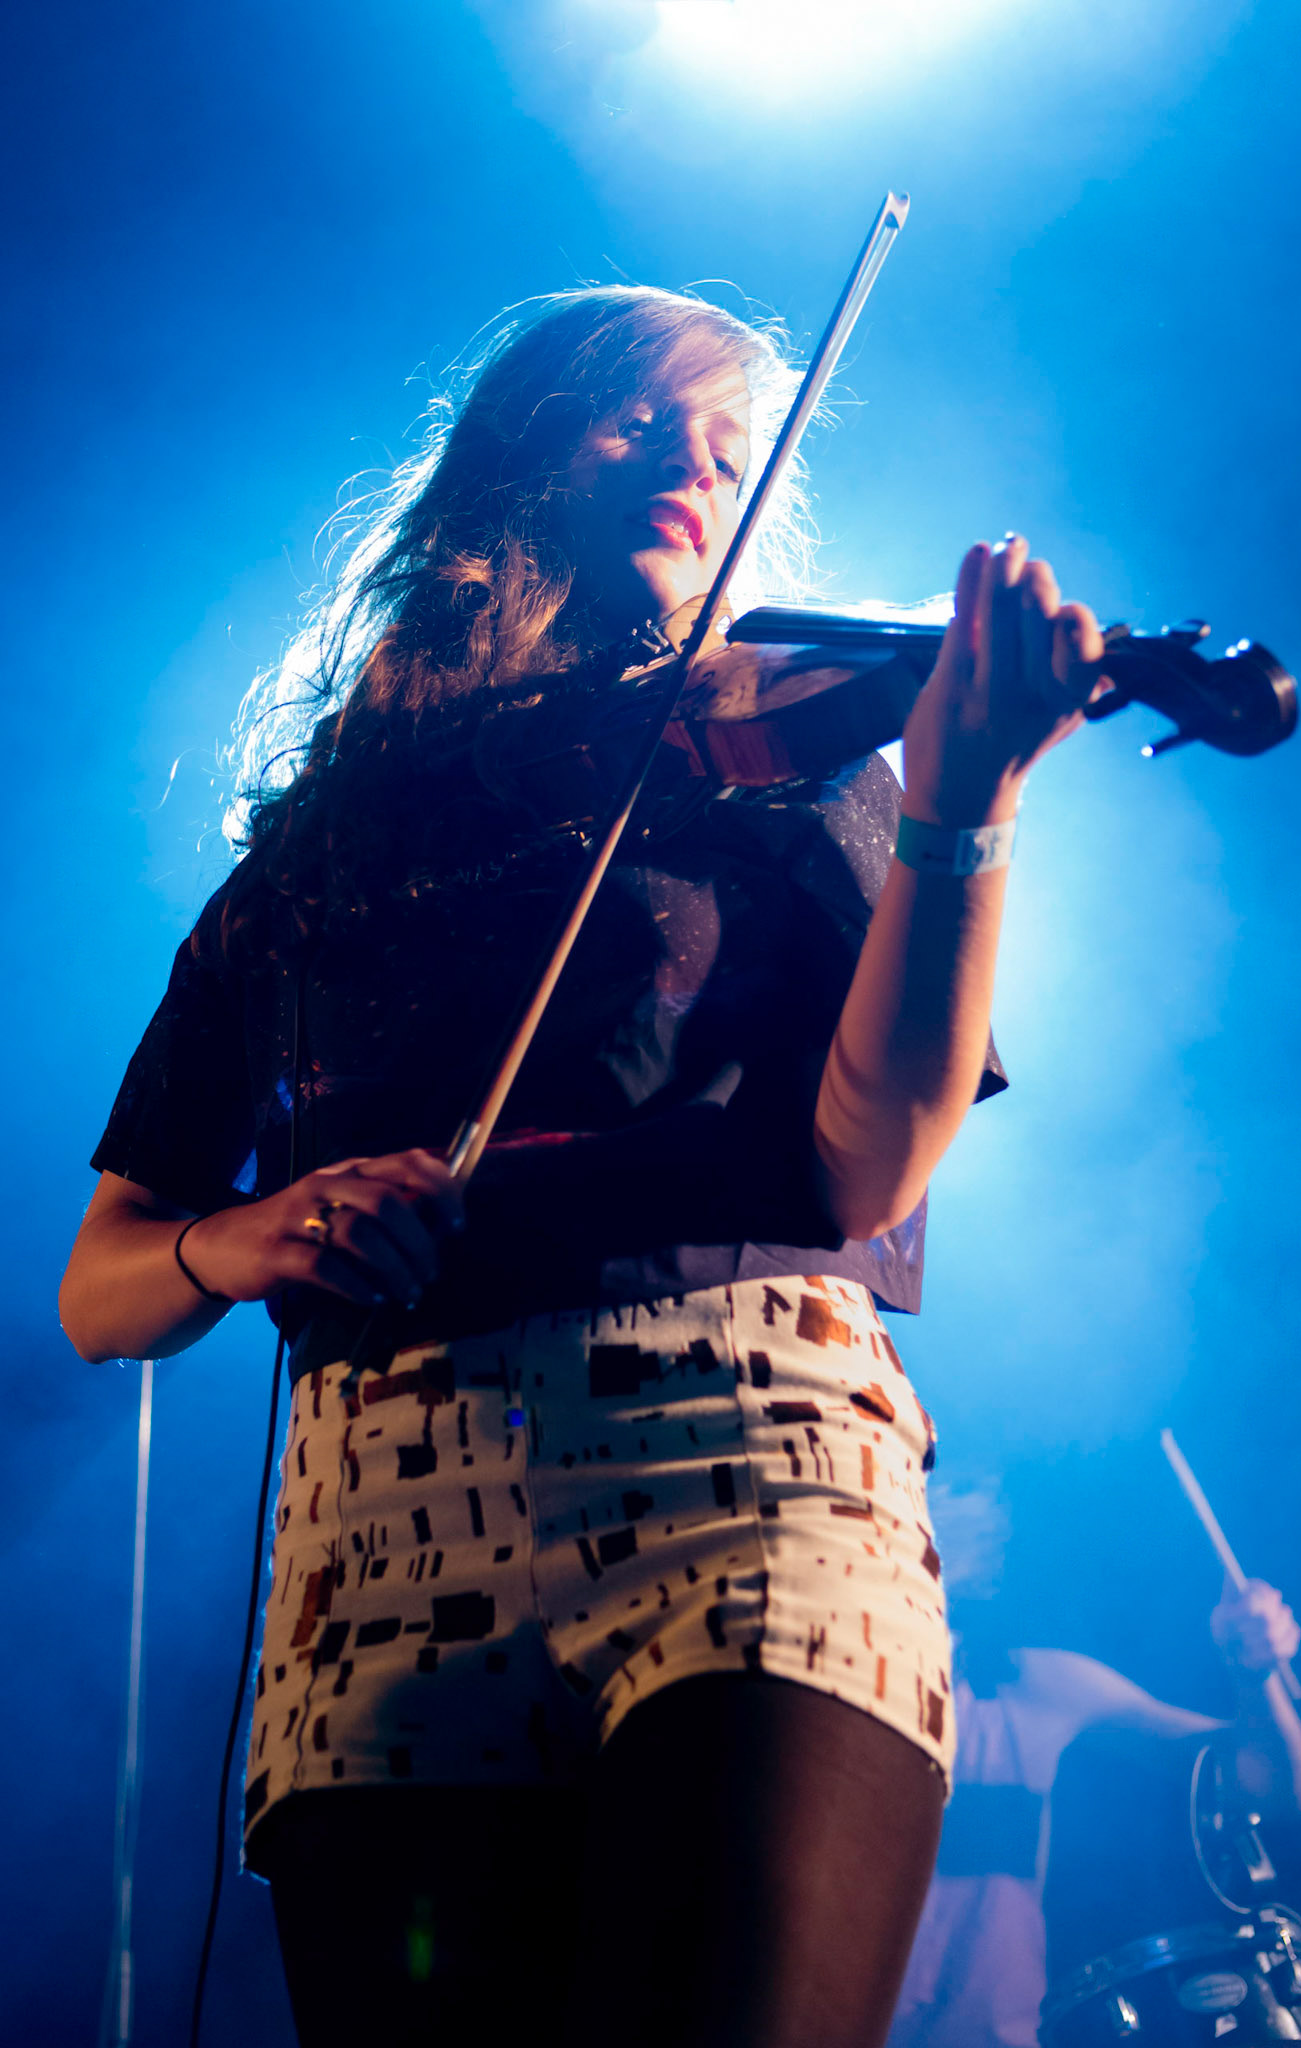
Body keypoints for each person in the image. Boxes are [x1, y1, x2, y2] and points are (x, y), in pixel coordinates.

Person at [60, 285, 1111, 2048]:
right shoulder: (313, 853)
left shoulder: (785, 758)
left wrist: (965, 804)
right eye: (644, 415)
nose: (698, 463)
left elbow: (866, 1165)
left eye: (729, 442)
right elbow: (104, 1284)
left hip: (747, 1460)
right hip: (382, 1535)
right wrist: (246, 1239)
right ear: (518, 455)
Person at [888, 1481, 1301, 2048]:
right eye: (949, 1488)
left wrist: (1254, 1677)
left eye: (981, 1493)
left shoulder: (1030, 1685)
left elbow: (1271, 1787)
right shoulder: (809, 1697)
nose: (976, 1513)